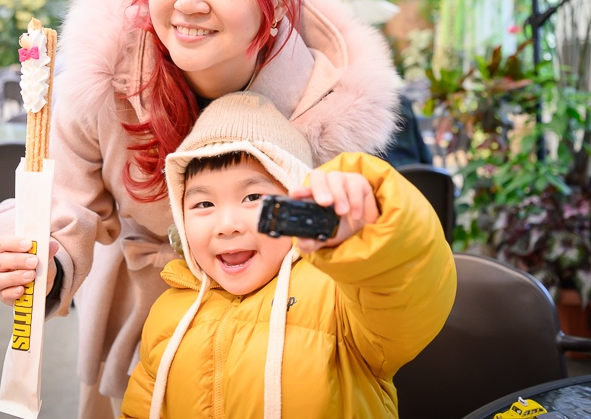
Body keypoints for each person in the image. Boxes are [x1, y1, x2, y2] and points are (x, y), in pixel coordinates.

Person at [0, 0, 402, 417]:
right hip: (141, 324)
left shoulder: (328, 108)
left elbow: (366, 265)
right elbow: (65, 202)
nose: (189, 0)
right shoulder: (104, 77)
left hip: (277, 346)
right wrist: (43, 262)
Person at [119, 91, 456, 419]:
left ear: (297, 199)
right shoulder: (168, 312)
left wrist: (369, 229)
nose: (227, 226)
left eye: (253, 197)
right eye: (203, 203)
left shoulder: (342, 297)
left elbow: (408, 285)